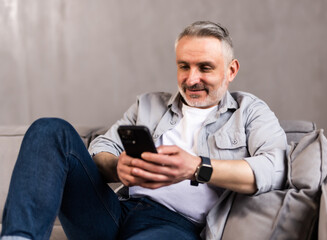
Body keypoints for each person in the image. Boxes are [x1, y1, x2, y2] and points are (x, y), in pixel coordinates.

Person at [0, 21, 288, 240]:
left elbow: (274, 168)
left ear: (231, 70)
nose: (192, 78)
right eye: (183, 66)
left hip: (176, 225)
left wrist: (197, 168)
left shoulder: (250, 111)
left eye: (205, 67)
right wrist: (118, 168)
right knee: (50, 129)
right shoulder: (149, 104)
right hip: (115, 210)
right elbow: (101, 151)